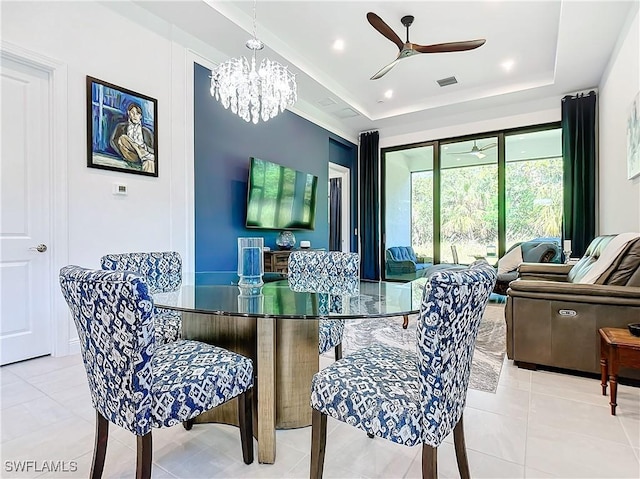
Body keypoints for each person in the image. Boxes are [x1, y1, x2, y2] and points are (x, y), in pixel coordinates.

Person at [110, 102, 155, 173]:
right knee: (123, 138)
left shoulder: (147, 132)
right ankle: (142, 153)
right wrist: (121, 153)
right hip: (129, 154)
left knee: (150, 162)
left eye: (137, 114)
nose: (135, 116)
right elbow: (112, 141)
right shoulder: (121, 127)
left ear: (140, 116)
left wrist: (145, 147)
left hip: (143, 157)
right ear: (128, 113)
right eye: (132, 113)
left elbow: (154, 150)